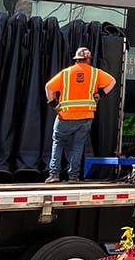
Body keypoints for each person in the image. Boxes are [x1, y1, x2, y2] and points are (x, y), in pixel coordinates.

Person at [44, 47, 116, 183]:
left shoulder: (66, 73)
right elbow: (112, 82)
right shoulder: (95, 73)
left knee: (58, 143)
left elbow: (49, 87)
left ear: (76, 59)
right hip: (86, 116)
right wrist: (99, 95)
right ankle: (73, 176)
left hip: (65, 116)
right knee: (78, 145)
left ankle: (54, 175)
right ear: (88, 59)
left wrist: (54, 105)